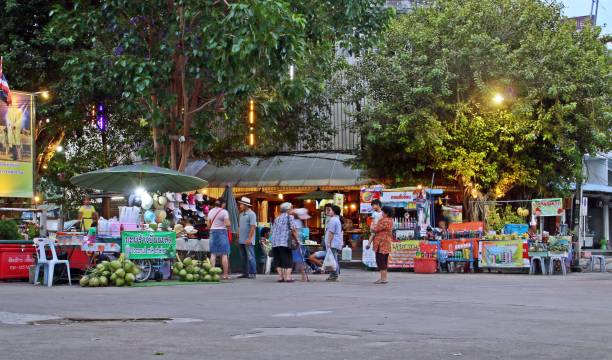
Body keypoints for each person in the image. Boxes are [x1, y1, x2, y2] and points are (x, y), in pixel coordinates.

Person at [270, 202, 298, 283]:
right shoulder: (290, 217)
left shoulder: (277, 218)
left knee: (278, 259)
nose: (292, 210)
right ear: (288, 209)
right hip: (284, 242)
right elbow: (293, 229)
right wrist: (297, 239)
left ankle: (280, 277)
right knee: (288, 259)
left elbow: (272, 231)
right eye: (291, 208)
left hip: (275, 242)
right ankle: (288, 277)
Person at [366, 206, 394, 284]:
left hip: (381, 243)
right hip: (386, 242)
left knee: (380, 260)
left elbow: (375, 229)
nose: (381, 213)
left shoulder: (384, 220)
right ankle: (384, 278)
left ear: (386, 213)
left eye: (383, 212)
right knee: (384, 260)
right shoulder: (390, 220)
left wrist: (372, 225)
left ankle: (383, 278)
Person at [207, 200, 231, 280]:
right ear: (222, 204)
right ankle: (225, 274)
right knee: (224, 254)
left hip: (213, 231)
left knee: (213, 254)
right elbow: (227, 224)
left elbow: (208, 224)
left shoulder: (210, 211)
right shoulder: (224, 212)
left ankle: (212, 274)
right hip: (222, 232)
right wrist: (229, 225)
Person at [237, 197, 257, 279]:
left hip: (248, 240)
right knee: (243, 257)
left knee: (250, 256)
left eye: (241, 204)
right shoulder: (241, 214)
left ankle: (253, 273)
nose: (240, 206)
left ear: (246, 205)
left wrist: (249, 239)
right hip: (241, 239)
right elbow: (239, 226)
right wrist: (238, 236)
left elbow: (253, 227)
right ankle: (245, 273)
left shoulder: (252, 214)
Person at [323, 205, 343, 282]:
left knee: (333, 259)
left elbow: (331, 232)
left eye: (330, 210)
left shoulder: (333, 220)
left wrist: (328, 242)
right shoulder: (336, 219)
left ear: (334, 212)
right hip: (335, 242)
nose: (329, 211)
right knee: (333, 258)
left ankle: (334, 275)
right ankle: (333, 275)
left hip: (333, 243)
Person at [290, 208, 310, 282]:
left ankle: (303, 276)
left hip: (296, 242)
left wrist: (297, 240)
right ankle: (303, 276)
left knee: (298, 259)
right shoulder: (298, 222)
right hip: (298, 242)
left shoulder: (295, 222)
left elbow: (294, 232)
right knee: (299, 259)